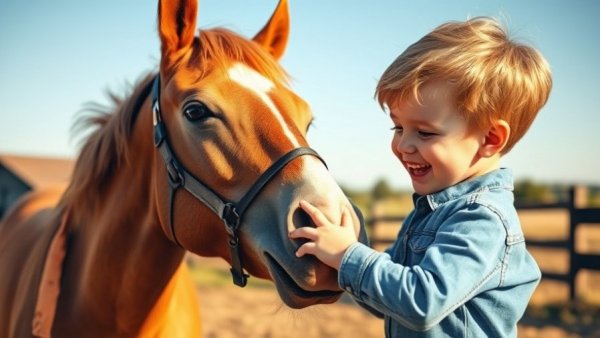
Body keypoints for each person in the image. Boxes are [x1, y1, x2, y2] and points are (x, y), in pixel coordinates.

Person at [289, 16, 552, 337]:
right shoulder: (431, 211)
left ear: (490, 139)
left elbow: (421, 301)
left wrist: (347, 255)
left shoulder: (482, 219)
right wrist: (338, 264)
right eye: (398, 127)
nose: (403, 144)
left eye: (425, 133)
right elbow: (389, 300)